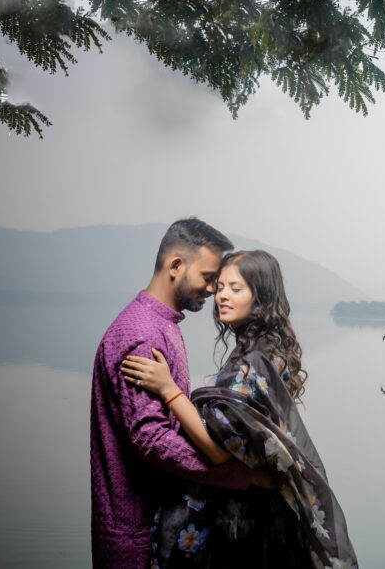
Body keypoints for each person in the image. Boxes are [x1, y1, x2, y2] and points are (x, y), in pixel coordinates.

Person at [120, 249, 358, 568]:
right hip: (257, 511)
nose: (222, 296)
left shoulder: (252, 365)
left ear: (260, 297)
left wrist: (168, 390)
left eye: (236, 288)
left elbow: (219, 452)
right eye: (220, 287)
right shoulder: (266, 350)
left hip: (238, 516)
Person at [90, 218, 258, 569]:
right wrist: (236, 474)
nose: (213, 290)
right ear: (176, 266)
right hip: (135, 537)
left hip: (151, 526)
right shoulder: (144, 334)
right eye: (208, 277)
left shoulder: (161, 322)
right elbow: (150, 438)